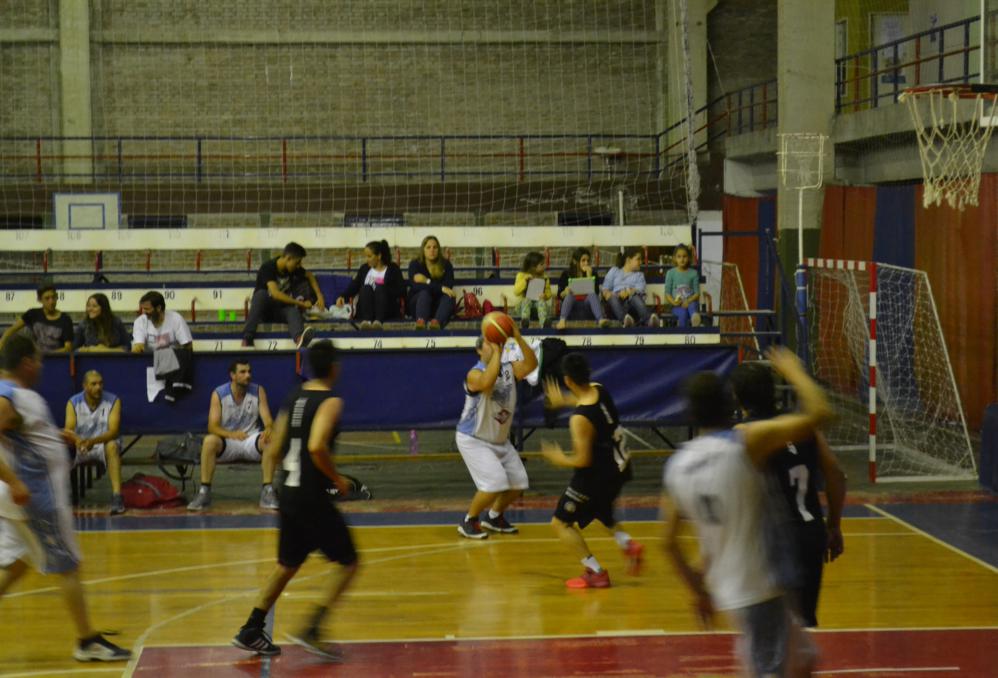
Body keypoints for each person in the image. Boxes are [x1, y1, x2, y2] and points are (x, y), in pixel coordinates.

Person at [661, 348, 832, 678]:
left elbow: (667, 543)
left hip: (732, 585)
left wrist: (698, 590)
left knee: (804, 660)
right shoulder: (746, 442)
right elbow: (821, 412)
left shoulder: (677, 466)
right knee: (771, 670)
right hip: (760, 584)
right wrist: (794, 371)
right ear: (729, 403)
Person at [0, 334, 131, 662]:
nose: (41, 366)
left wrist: (52, 434)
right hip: (36, 497)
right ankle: (87, 642)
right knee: (68, 566)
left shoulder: (15, 395)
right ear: (27, 363)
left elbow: (17, 432)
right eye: (38, 360)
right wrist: (15, 482)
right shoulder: (8, 395)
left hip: (21, 498)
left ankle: (88, 640)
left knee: (15, 565)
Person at [232, 340, 358, 660]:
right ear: (335, 368)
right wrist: (337, 479)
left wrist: (275, 484)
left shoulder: (293, 396)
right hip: (311, 497)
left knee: (287, 564)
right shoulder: (331, 401)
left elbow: (273, 449)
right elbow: (316, 446)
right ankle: (313, 629)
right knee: (349, 562)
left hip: (288, 492)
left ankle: (251, 628)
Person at [730, 361, 846, 628]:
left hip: (775, 539)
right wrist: (833, 525)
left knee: (770, 629)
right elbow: (836, 474)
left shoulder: (747, 434)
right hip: (811, 533)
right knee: (803, 623)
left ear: (737, 396)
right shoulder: (804, 427)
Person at [541, 353, 644, 588]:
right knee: (601, 509)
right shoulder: (600, 389)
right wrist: (563, 401)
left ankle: (595, 572)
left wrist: (559, 459)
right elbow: (584, 399)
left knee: (560, 523)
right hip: (619, 467)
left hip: (596, 476)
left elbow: (583, 459)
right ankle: (628, 545)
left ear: (567, 380)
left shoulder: (579, 420)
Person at [455, 327, 537, 539]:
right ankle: (469, 521)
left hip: (499, 439)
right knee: (494, 483)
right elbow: (487, 382)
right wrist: (499, 352)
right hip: (474, 439)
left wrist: (517, 336)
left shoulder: (509, 368)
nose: (494, 346)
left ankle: (494, 517)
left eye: (496, 342)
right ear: (479, 351)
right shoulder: (474, 374)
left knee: (519, 483)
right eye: (488, 343)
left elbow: (531, 365)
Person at [187, 360, 275, 511]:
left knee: (270, 441)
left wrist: (268, 428)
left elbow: (268, 420)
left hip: (250, 439)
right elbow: (212, 427)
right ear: (233, 375)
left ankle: (267, 491)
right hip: (228, 441)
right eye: (243, 372)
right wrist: (231, 434)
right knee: (209, 441)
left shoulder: (258, 391)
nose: (248, 375)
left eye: (249, 371)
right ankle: (204, 492)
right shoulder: (219, 393)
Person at [64, 370, 125, 515]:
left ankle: (117, 497)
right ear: (85, 386)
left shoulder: (113, 401)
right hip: (81, 445)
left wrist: (93, 441)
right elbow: (68, 430)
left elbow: (113, 431)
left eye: (100, 383)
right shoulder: (73, 402)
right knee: (63, 448)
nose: (98, 387)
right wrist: (78, 441)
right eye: (94, 384)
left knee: (112, 446)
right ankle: (62, 496)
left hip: (102, 444)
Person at [243, 242, 321, 350]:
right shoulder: (268, 267)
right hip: (264, 311)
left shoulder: (293, 269)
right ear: (288, 258)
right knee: (261, 294)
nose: (299, 266)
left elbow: (309, 275)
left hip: (280, 311)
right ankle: (247, 338)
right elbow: (275, 294)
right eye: (297, 262)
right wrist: (301, 303)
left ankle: (299, 339)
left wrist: (319, 295)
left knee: (293, 310)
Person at [336, 240, 404, 330]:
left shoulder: (393, 269)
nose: (366, 259)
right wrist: (343, 296)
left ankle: (378, 322)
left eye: (369, 256)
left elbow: (401, 290)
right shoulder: (364, 269)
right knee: (366, 288)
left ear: (379, 256)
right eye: (366, 256)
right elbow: (354, 285)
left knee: (380, 288)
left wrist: (383, 288)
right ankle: (367, 322)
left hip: (386, 309)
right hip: (365, 309)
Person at [0, 283, 73, 353]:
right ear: (40, 300)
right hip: (35, 358)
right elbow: (11, 329)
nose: (51, 301)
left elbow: (68, 348)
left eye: (53, 297)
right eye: (47, 298)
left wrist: (48, 355)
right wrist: (1, 343)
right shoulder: (33, 314)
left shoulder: (65, 319)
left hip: (56, 358)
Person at [602, 247, 660, 328]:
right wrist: (609, 293)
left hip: (632, 305)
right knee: (612, 298)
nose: (641, 262)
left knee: (635, 297)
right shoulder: (614, 271)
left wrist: (628, 292)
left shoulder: (639, 275)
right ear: (628, 260)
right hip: (616, 303)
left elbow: (640, 289)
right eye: (638, 259)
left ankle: (648, 321)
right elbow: (605, 288)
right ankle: (625, 321)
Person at [408, 235, 456, 329]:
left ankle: (436, 323)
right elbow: (415, 287)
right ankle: (421, 323)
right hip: (419, 305)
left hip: (438, 307)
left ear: (438, 250)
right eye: (428, 247)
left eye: (435, 247)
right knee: (424, 293)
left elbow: (448, 287)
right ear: (423, 250)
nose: (432, 250)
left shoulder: (446, 265)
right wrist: (440, 288)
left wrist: (426, 281)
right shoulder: (415, 264)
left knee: (449, 296)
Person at [555, 247, 609, 331]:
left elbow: (595, 293)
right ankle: (562, 321)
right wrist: (565, 292)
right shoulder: (566, 274)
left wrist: (589, 275)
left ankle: (600, 319)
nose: (586, 263)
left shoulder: (593, 273)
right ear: (575, 261)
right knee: (570, 295)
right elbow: (559, 295)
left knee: (591, 293)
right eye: (583, 260)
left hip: (588, 307)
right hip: (572, 308)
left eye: (588, 260)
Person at [664, 244, 702, 328]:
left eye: (684, 256)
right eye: (679, 256)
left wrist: (688, 301)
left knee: (692, 307)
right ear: (675, 258)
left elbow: (697, 293)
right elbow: (667, 293)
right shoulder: (671, 273)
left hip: (690, 302)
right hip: (677, 305)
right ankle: (683, 333)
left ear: (689, 258)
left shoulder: (693, 273)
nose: (682, 259)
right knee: (683, 313)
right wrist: (674, 303)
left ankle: (695, 321)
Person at [513, 251, 553, 329]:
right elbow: (516, 292)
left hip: (538, 309)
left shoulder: (544, 277)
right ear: (533, 266)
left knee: (541, 302)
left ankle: (544, 324)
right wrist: (525, 281)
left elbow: (549, 293)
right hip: (522, 308)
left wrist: (545, 296)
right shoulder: (521, 275)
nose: (544, 266)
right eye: (541, 264)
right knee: (526, 300)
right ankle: (525, 322)